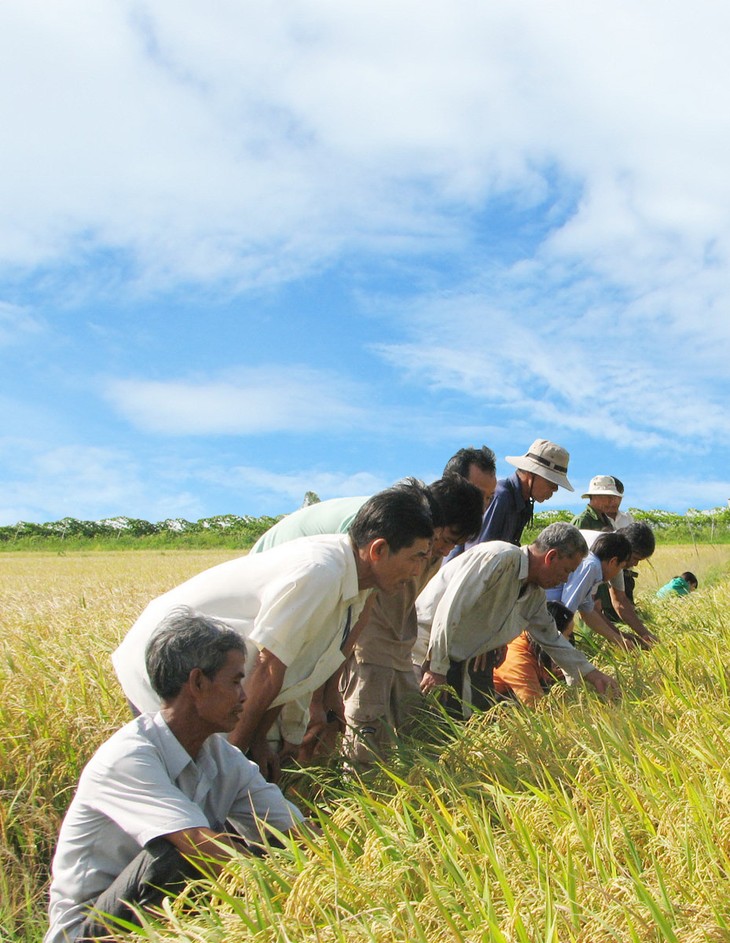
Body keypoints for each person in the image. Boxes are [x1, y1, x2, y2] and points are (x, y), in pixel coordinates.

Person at [113, 481, 434, 780]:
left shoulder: (358, 586)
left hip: (215, 683)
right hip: (167, 669)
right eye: (416, 557)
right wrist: (235, 759)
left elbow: (290, 675)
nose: (419, 571)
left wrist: (260, 743)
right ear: (378, 550)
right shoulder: (320, 573)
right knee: (186, 789)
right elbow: (269, 668)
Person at [46, 608, 305, 943]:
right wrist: (291, 899)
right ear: (197, 682)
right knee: (180, 853)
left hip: (157, 910)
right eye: (236, 680)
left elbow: (294, 832)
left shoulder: (222, 756)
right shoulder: (129, 756)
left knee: (265, 847)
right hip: (88, 930)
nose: (244, 696)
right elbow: (197, 847)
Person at [245, 473, 484, 764]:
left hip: (314, 611)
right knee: (281, 704)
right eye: (444, 540)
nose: (445, 552)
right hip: (272, 589)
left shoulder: (405, 550)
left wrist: (330, 691)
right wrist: (319, 697)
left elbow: (361, 613)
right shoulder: (356, 544)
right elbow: (327, 635)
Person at [415, 523, 618, 714]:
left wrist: (592, 674)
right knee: (415, 722)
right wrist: (437, 667)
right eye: (566, 571)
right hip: (423, 649)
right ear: (551, 557)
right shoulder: (499, 557)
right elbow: (450, 608)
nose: (565, 579)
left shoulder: (534, 595)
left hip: (461, 661)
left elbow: (552, 639)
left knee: (461, 725)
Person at [470, 438, 574, 548]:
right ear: (530, 474)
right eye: (551, 482)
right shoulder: (501, 497)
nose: (555, 489)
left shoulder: (523, 503)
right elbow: (480, 550)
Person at [544, 531, 634, 649]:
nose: (618, 573)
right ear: (613, 561)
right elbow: (566, 610)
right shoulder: (591, 567)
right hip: (544, 617)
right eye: (621, 567)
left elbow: (588, 612)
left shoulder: (593, 567)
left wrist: (620, 639)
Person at [581, 522, 657, 646]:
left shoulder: (615, 554)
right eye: (635, 558)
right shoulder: (597, 558)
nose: (635, 564)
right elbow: (588, 610)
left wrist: (645, 634)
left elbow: (620, 601)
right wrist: (620, 638)